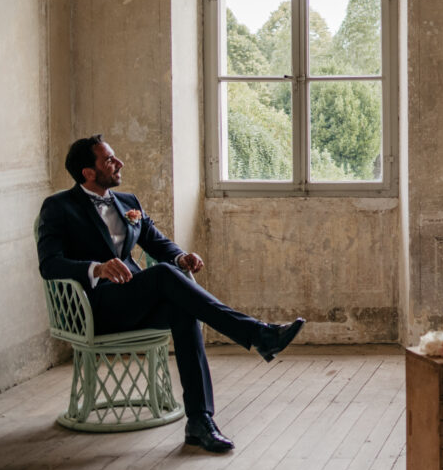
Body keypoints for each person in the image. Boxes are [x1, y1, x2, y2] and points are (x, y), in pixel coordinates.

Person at [36, 135, 305, 453]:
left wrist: (181, 258)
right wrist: (97, 268)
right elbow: (50, 264)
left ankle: (200, 421)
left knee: (183, 308)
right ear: (88, 173)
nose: (119, 163)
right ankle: (258, 334)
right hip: (94, 307)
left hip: (133, 299)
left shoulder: (128, 202)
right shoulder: (59, 207)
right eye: (109, 160)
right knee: (164, 275)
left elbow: (156, 242)